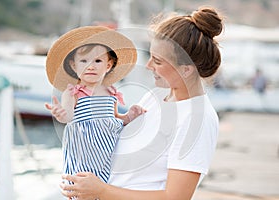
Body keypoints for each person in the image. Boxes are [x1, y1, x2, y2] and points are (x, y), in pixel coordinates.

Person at [60, 6, 223, 200]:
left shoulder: (198, 118)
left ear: (186, 70)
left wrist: (101, 191)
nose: (148, 66)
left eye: (157, 61)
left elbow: (176, 197)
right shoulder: (155, 97)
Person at [44, 26, 146, 185]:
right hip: (85, 151)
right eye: (83, 61)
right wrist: (60, 113)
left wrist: (129, 116)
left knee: (107, 184)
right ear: (73, 65)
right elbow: (68, 116)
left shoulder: (110, 91)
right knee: (85, 184)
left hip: (108, 149)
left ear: (108, 65)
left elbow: (115, 118)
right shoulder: (73, 93)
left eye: (98, 61)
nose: (90, 66)